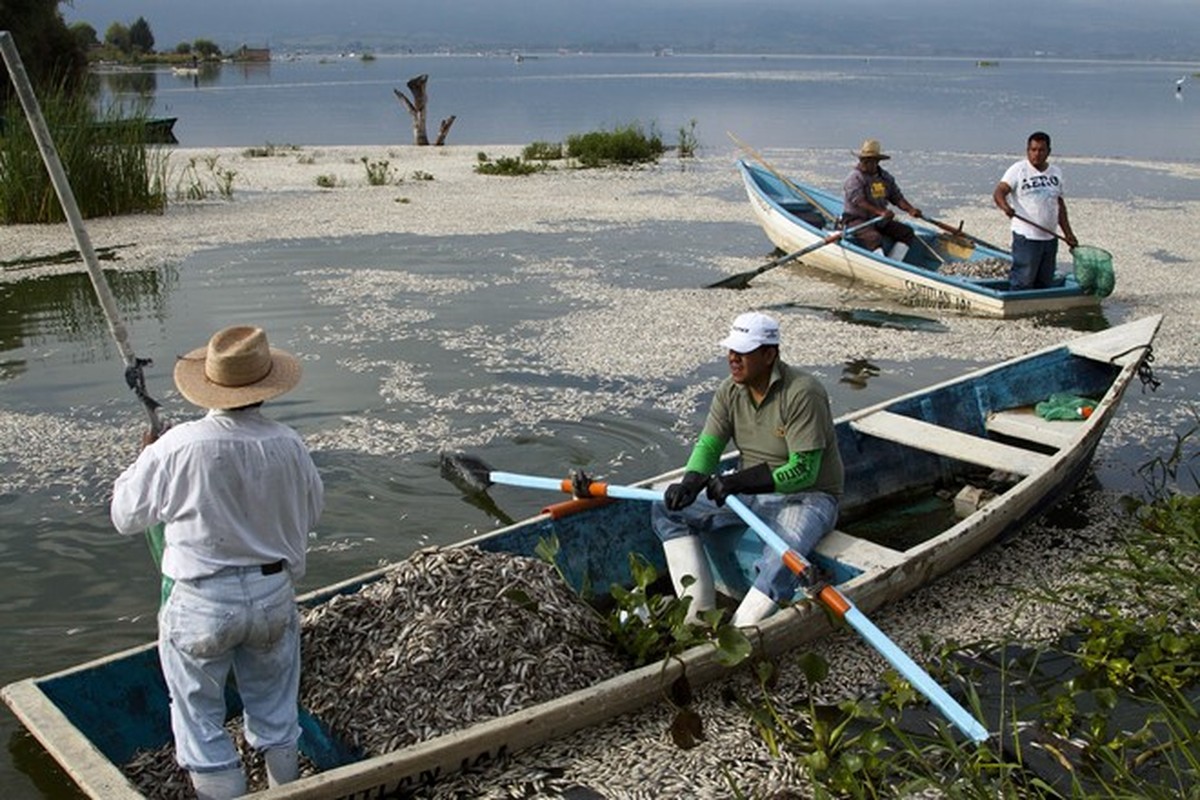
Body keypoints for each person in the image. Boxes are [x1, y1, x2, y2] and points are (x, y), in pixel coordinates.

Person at [111, 325, 324, 800]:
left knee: (200, 720)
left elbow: (125, 515)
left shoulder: (178, 445)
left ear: (209, 385)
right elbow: (312, 511)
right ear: (265, 387)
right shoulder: (290, 444)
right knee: (275, 711)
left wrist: (142, 459)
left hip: (202, 602)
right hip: (272, 597)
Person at [651, 312, 843, 627]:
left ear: (770, 354)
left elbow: (805, 471)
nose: (733, 358)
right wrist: (690, 483)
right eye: (731, 350)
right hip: (749, 490)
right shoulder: (730, 391)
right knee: (666, 509)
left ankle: (738, 630)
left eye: (743, 352)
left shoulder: (802, 393)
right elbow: (710, 447)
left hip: (807, 496)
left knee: (783, 556)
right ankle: (697, 618)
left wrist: (739, 482)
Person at [993, 131, 1078, 290]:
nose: (1036, 154)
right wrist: (1006, 207)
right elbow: (999, 192)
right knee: (1023, 281)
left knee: (1045, 282)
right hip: (1027, 238)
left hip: (1049, 238)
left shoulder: (1056, 173)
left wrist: (1068, 234)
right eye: (1033, 150)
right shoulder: (1018, 170)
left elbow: (1059, 206)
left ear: (1048, 152)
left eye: (1041, 150)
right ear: (1027, 150)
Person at [842, 138, 923, 263]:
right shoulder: (854, 178)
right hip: (857, 220)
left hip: (880, 220)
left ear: (877, 161)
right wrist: (880, 212)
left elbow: (897, 197)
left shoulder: (885, 178)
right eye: (863, 160)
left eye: (869, 161)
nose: (864, 163)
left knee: (906, 232)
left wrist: (910, 209)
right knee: (874, 238)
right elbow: (859, 201)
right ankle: (882, 264)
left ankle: (894, 262)